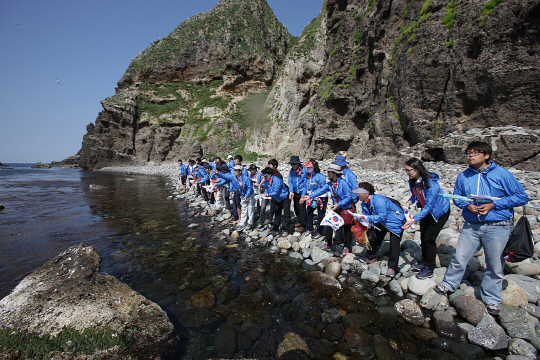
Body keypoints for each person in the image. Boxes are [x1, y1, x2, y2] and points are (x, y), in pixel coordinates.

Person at [434, 141, 529, 315]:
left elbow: (521, 197)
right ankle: (448, 284)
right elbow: (457, 198)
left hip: (498, 226)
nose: (470, 155)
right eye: (468, 152)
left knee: (494, 264)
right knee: (459, 257)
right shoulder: (464, 176)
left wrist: (494, 205)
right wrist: (466, 206)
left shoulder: (502, 174)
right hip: (472, 224)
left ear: (486, 155)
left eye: (475, 153)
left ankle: (491, 299)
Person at [401, 158, 451, 279]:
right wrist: (409, 202)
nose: (407, 173)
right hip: (426, 210)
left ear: (417, 169)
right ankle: (424, 261)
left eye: (409, 170)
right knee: (423, 236)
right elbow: (415, 194)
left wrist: (413, 219)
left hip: (438, 212)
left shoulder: (431, 184)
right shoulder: (412, 180)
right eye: (406, 170)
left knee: (429, 238)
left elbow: (429, 206)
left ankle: (430, 267)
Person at [301, 164, 354, 256]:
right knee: (329, 223)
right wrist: (309, 196)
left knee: (346, 228)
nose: (327, 173)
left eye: (329, 172)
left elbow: (348, 197)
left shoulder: (343, 183)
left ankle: (347, 247)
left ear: (334, 173)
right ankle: (328, 244)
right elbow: (321, 190)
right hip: (336, 207)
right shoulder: (330, 183)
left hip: (345, 208)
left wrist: (338, 204)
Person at [355, 182, 405, 277]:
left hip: (395, 221)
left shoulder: (378, 200)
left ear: (367, 193)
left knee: (394, 244)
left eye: (359, 192)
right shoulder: (364, 203)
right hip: (382, 222)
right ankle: (371, 257)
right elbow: (367, 216)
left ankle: (392, 268)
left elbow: (382, 216)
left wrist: (367, 218)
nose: (357, 194)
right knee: (374, 236)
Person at [260, 166, 291, 237]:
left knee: (286, 214)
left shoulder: (277, 180)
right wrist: (262, 195)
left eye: (265, 175)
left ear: (270, 174)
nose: (264, 177)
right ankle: (275, 229)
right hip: (277, 199)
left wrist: (267, 195)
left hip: (285, 197)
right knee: (277, 213)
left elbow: (276, 192)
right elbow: (267, 189)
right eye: (263, 176)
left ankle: (287, 230)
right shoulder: (266, 181)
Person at [301, 160, 328, 239]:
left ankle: (319, 231)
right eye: (307, 167)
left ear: (314, 167)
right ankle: (310, 229)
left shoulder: (320, 177)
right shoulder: (307, 177)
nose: (308, 169)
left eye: (309, 167)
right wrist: (303, 196)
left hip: (322, 197)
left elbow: (323, 189)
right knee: (308, 211)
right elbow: (305, 188)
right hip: (312, 197)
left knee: (320, 214)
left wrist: (313, 195)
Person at [258, 159, 283, 228]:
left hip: (273, 195)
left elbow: (278, 189)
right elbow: (265, 181)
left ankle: (270, 221)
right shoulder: (266, 176)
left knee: (272, 209)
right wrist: (260, 186)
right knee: (262, 208)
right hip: (266, 193)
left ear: (275, 166)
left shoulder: (278, 176)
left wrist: (269, 194)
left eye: (270, 165)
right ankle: (261, 222)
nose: (269, 166)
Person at [288, 156, 308, 233]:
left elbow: (306, 183)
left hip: (302, 192)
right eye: (291, 164)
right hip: (295, 192)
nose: (293, 166)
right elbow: (290, 181)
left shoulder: (304, 170)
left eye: (294, 164)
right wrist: (291, 191)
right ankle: (300, 220)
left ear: (298, 164)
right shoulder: (291, 171)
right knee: (296, 207)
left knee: (302, 208)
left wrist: (303, 195)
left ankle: (303, 225)